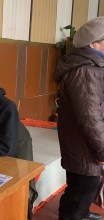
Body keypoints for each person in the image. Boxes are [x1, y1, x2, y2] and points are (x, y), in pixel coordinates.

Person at [54, 17, 104, 220]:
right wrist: (102, 150)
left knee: (80, 188)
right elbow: (89, 117)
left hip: (83, 146)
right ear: (93, 44)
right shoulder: (85, 71)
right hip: (85, 148)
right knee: (82, 189)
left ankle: (81, 213)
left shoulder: (90, 67)